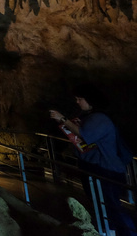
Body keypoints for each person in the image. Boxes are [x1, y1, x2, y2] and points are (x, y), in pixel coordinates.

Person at [50, 84, 136, 235]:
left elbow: (85, 135)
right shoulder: (91, 117)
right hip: (95, 167)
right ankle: (110, 231)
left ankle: (128, 233)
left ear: (90, 100)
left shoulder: (100, 118)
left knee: (111, 206)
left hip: (105, 170)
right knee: (103, 205)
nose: (77, 102)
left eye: (80, 99)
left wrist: (62, 119)